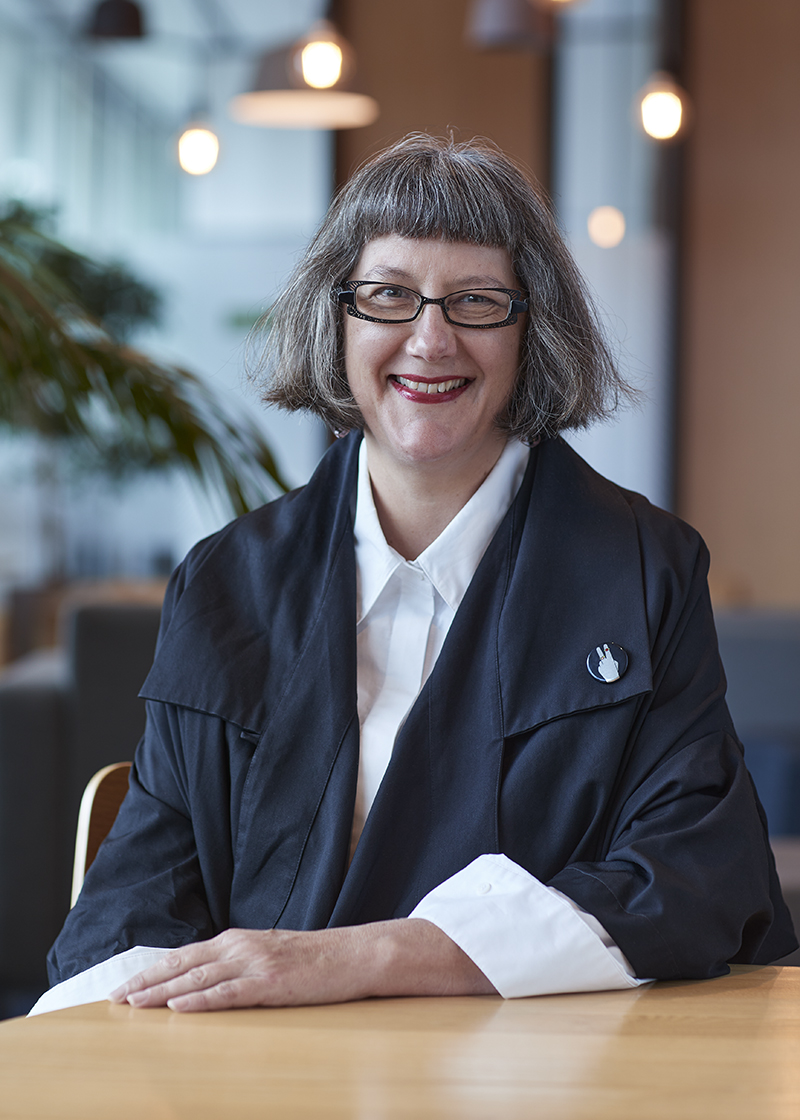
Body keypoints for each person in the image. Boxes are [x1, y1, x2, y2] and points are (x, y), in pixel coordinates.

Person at [47, 134, 796, 1013]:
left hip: (549, 1083)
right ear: (339, 320)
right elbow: (134, 911)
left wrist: (361, 958)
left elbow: (696, 875)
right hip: (267, 1084)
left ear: (531, 333)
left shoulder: (645, 570)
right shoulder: (227, 583)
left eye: (477, 301)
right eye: (390, 296)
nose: (430, 339)